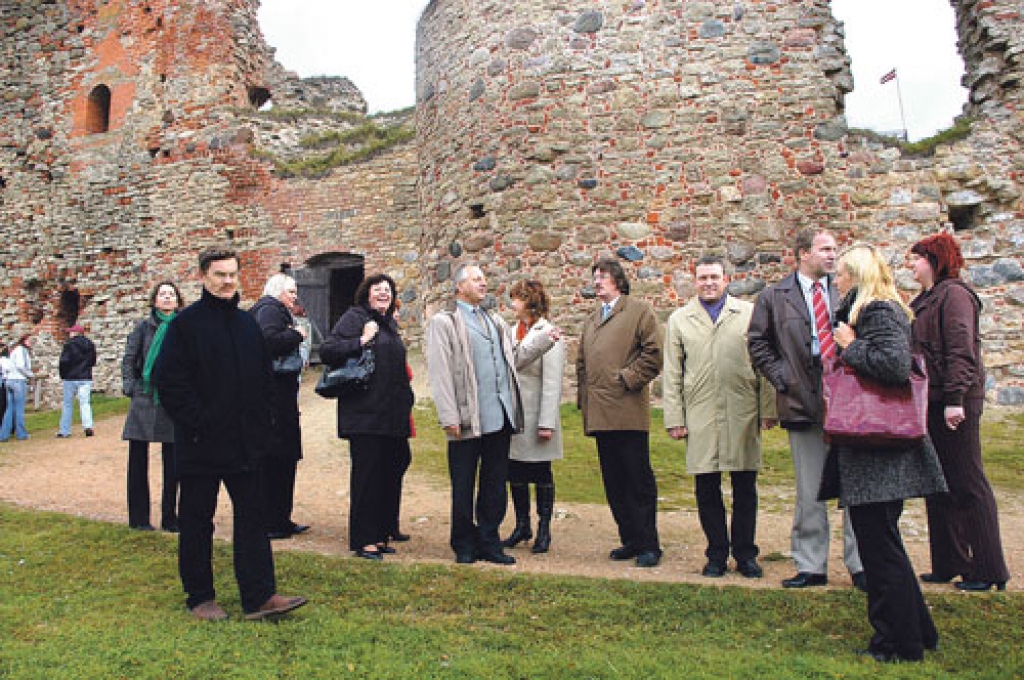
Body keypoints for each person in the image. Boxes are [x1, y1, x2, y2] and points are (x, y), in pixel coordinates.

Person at [153, 247, 306, 622]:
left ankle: (259, 595)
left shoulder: (246, 324)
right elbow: (168, 381)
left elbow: (263, 381)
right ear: (204, 276)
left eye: (232, 274)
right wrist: (199, 422)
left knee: (253, 518)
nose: (227, 281)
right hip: (199, 444)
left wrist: (263, 425)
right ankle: (200, 597)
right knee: (197, 522)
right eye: (219, 274)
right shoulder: (185, 325)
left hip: (245, 444)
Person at [819, 244, 947, 662]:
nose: (835, 282)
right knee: (884, 543)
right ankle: (918, 631)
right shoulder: (876, 310)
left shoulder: (876, 312)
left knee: (879, 549)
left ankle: (897, 643)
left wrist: (850, 344)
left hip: (878, 450)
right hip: (873, 450)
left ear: (855, 277)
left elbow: (894, 367)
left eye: (840, 275)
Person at [748, 228, 865, 590]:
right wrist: (783, 377)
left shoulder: (848, 291)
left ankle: (862, 564)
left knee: (855, 486)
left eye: (835, 249)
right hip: (801, 400)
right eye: (824, 249)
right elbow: (758, 343)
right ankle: (811, 564)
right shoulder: (775, 296)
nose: (832, 256)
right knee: (810, 489)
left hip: (846, 399)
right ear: (802, 254)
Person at [425, 263, 555, 565]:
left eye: (484, 279)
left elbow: (515, 359)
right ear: (460, 286)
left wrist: (544, 341)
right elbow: (440, 373)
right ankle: (463, 544)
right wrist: (449, 417)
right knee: (463, 485)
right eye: (477, 279)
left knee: (494, 485)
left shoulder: (495, 321)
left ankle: (489, 541)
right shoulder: (444, 323)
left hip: (500, 417)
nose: (484, 284)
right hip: (467, 419)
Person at [662, 256, 777, 578]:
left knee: (744, 486)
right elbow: (672, 372)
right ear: (694, 281)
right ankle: (716, 553)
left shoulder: (749, 314)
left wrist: (768, 409)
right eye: (702, 278)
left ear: (726, 279)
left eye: (714, 277)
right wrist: (675, 417)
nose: (708, 283)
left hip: (741, 410)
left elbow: (764, 364)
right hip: (700, 412)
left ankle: (745, 554)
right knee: (707, 486)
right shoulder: (680, 320)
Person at [909, 231, 1010, 592]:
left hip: (954, 402)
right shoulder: (927, 298)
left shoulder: (955, 296)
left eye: (918, 258)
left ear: (935, 261)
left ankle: (987, 568)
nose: (913, 264)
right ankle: (949, 561)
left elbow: (961, 351)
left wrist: (955, 399)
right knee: (938, 484)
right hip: (931, 401)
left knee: (967, 483)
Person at [320, 273, 414, 560]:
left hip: (391, 416)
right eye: (378, 289)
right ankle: (364, 540)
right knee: (367, 476)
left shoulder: (389, 324)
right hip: (365, 416)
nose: (384, 293)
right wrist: (361, 340)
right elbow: (328, 350)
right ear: (367, 294)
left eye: (388, 290)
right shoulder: (355, 317)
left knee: (391, 469)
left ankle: (382, 532)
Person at [577, 258, 663, 568]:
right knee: (613, 481)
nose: (597, 282)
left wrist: (626, 379)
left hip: (627, 411)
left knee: (637, 480)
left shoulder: (639, 311)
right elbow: (583, 364)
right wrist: (584, 401)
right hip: (600, 413)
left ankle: (649, 544)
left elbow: (654, 354)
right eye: (594, 277)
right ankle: (630, 539)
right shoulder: (591, 319)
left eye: (602, 276)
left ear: (618, 280)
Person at [502, 279, 565, 554]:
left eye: (516, 298)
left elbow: (552, 381)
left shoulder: (549, 333)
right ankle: (522, 525)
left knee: (540, 473)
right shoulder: (512, 330)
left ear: (529, 301)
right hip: (516, 416)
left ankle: (544, 529)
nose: (512, 304)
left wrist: (547, 422)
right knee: (514, 471)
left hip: (537, 414)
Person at [250, 273, 310, 540]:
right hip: (272, 401)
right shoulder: (269, 309)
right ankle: (271, 521)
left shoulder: (272, 310)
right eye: (291, 291)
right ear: (276, 291)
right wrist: (296, 334)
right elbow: (267, 342)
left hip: (278, 399)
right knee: (275, 460)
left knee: (283, 459)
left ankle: (280, 518)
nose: (295, 296)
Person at [122, 281, 184, 532]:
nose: (167, 298)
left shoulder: (184, 328)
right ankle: (138, 518)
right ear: (155, 300)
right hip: (146, 396)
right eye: (162, 294)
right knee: (138, 460)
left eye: (171, 294)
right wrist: (131, 385)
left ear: (177, 300)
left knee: (174, 463)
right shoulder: (143, 327)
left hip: (172, 399)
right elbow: (130, 357)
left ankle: (170, 518)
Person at [56, 324, 97, 438]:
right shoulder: (90, 344)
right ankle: (88, 426)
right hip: (85, 377)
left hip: (70, 377)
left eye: (71, 332)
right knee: (85, 403)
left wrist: (63, 374)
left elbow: (64, 362)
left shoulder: (69, 345)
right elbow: (93, 361)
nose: (69, 333)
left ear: (75, 333)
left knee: (68, 404)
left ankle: (65, 430)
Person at [0, 335, 34, 442]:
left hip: (10, 380)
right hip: (18, 381)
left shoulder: (15, 351)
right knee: (19, 409)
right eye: (29, 340)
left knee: (9, 409)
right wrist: (30, 375)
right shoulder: (21, 350)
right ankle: (21, 433)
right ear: (24, 341)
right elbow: (20, 366)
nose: (31, 342)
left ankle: (4, 434)